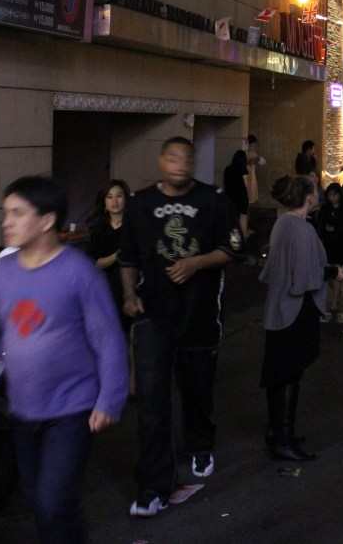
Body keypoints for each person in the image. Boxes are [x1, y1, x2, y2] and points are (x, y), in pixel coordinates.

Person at [0, 175, 127, 544]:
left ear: (47, 220)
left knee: (54, 501)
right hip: (24, 411)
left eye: (17, 213)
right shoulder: (3, 272)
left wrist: (110, 397)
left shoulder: (78, 272)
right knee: (39, 499)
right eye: (6, 213)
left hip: (71, 410)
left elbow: (108, 338)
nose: (6, 222)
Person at [120, 137, 244, 518]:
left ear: (193, 164)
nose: (179, 164)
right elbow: (128, 256)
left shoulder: (214, 199)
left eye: (186, 158)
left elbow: (233, 248)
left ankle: (199, 444)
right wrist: (128, 295)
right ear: (161, 162)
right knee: (152, 401)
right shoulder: (140, 204)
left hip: (200, 312)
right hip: (154, 314)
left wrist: (196, 263)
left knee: (197, 388)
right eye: (172, 157)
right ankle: (153, 485)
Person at [261, 175, 343, 461]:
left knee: (280, 372)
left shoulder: (282, 223)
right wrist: (333, 272)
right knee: (290, 373)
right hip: (295, 309)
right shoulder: (302, 229)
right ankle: (283, 440)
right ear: (309, 198)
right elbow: (304, 276)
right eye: (316, 191)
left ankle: (278, 432)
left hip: (278, 306)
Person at [84, 179, 131, 320]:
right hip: (105, 287)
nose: (114, 201)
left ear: (125, 198)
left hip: (131, 286)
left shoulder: (134, 226)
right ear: (104, 202)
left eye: (119, 196)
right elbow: (95, 263)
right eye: (109, 197)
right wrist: (118, 255)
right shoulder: (98, 229)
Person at [316, 182, 343, 300]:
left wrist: (336, 229)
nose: (332, 197)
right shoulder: (325, 208)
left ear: (339, 195)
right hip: (327, 243)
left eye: (334, 195)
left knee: (337, 271)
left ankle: (334, 303)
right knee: (328, 272)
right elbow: (320, 225)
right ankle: (337, 292)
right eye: (330, 195)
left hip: (341, 243)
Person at [223, 148, 251, 238]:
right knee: (236, 223)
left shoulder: (228, 170)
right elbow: (242, 190)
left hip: (228, 199)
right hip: (237, 202)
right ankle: (235, 240)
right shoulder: (242, 172)